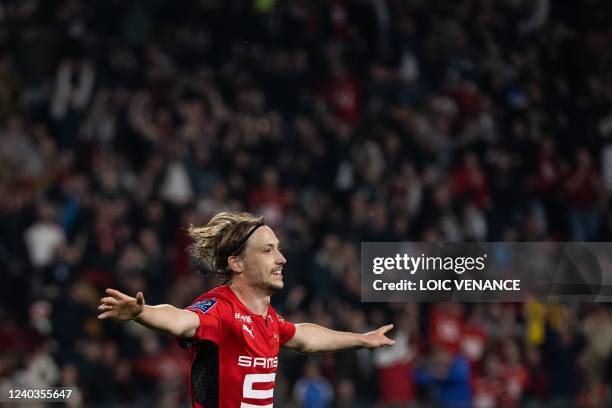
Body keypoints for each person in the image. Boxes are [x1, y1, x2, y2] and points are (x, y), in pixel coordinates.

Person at [98, 212, 395, 408]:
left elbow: (306, 337)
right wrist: (142, 312)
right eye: (267, 251)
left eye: (278, 248)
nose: (281, 259)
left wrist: (361, 339)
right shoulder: (222, 309)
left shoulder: (269, 320)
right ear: (236, 263)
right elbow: (182, 320)